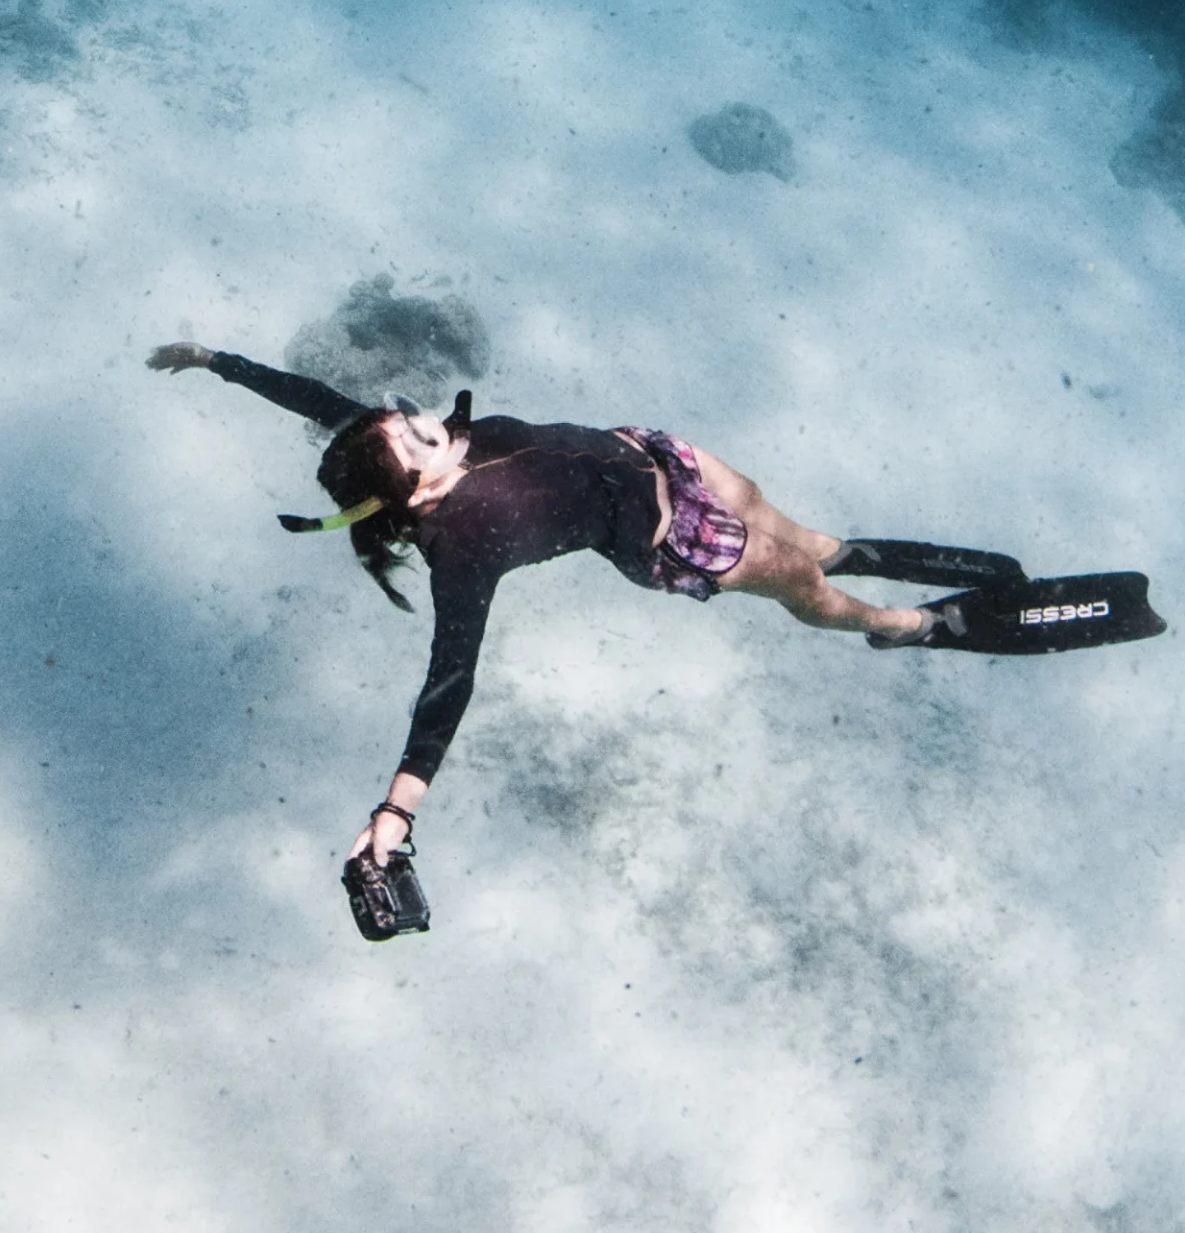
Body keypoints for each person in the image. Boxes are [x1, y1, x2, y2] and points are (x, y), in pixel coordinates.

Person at [146, 339, 1053, 875]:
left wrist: (215, 361)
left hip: (654, 455)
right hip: (672, 539)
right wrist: (399, 811)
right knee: (802, 587)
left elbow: (317, 402)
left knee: (790, 526)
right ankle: (904, 626)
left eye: (411, 418)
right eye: (418, 437)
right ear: (417, 493)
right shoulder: (462, 547)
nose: (430, 420)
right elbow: (449, 679)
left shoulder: (412, 455)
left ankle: (835, 549)